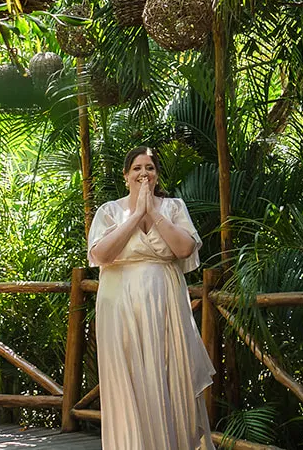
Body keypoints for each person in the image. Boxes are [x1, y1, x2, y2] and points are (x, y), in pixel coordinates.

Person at [87, 145, 215, 450]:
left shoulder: (173, 208)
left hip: (165, 303)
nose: (143, 173)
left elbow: (184, 249)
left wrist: (153, 213)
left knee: (169, 375)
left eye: (150, 168)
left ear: (157, 175)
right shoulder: (110, 211)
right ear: (126, 175)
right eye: (137, 168)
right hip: (119, 305)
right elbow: (101, 254)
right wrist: (136, 215)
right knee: (129, 377)